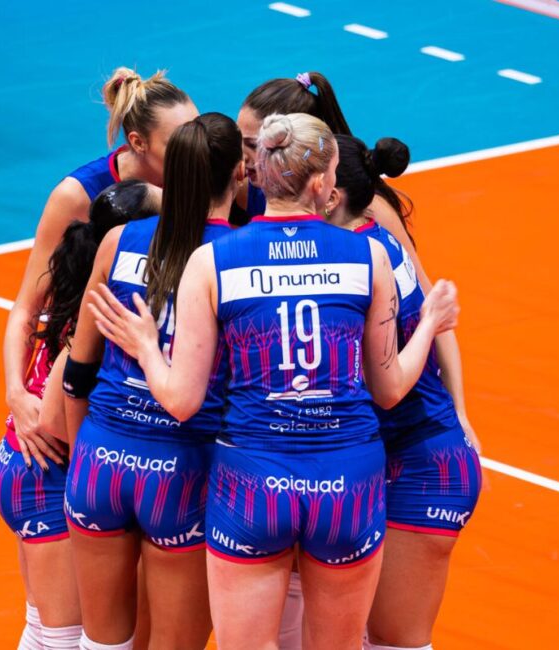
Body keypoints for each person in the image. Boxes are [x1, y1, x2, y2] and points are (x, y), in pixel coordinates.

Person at [87, 113, 460, 650]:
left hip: (252, 479)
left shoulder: (212, 260)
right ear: (322, 183)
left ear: (257, 172)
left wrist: (146, 345)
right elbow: (390, 389)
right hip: (346, 479)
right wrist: (429, 324)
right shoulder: (369, 255)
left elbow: (182, 401)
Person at [61, 112, 246, 650]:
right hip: (184, 468)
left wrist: (82, 456)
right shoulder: (236, 258)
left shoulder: (118, 241)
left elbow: (77, 371)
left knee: (100, 643)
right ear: (240, 172)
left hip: (101, 458)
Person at [234, 72, 480, 455]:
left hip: (391, 416)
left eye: (253, 144)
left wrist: (460, 413)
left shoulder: (368, 214)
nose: (243, 156)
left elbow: (430, 305)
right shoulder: (250, 187)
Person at [324, 135, 482, 650]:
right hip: (393, 455)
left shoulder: (361, 261)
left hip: (423, 466)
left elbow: (387, 386)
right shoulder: (371, 239)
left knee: (394, 642)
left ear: (329, 194)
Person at [0, 181, 158, 650]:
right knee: (63, 640)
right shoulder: (99, 312)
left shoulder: (80, 280)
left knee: (41, 630)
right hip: (46, 472)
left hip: (18, 465)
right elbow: (54, 419)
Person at [3, 67, 196, 472]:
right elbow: (27, 306)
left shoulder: (197, 180)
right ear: (138, 142)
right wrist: (16, 395)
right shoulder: (76, 196)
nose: (194, 151)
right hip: (82, 378)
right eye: (178, 143)